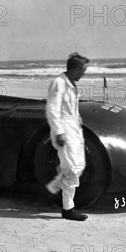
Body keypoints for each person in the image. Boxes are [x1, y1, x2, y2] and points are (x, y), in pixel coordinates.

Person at [45, 52, 90, 221]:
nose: (84, 73)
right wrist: (59, 132)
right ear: (76, 68)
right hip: (64, 129)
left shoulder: (71, 84)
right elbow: (52, 110)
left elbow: (72, 109)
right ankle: (68, 208)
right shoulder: (59, 83)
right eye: (83, 69)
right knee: (71, 168)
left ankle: (51, 189)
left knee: (79, 166)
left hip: (74, 129)